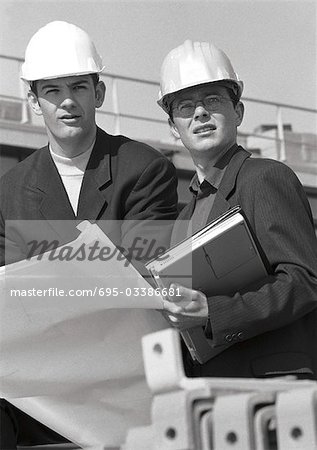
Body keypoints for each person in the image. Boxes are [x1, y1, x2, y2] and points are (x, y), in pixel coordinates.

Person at [0, 21, 178, 449]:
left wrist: (43, 280)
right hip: (44, 397)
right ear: (33, 101)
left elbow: (140, 275)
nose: (67, 103)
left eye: (79, 87)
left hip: (128, 385)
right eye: (52, 91)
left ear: (98, 94)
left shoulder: (144, 169)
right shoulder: (10, 191)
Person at [158, 40, 317, 380]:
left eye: (212, 100)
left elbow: (304, 282)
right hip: (213, 391)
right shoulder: (184, 218)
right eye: (185, 106)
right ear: (173, 128)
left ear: (238, 112)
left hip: (275, 385)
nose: (199, 113)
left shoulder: (265, 178)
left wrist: (213, 311)